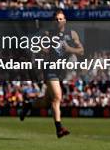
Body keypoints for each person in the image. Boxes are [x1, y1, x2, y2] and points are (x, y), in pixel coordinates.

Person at [20, 10, 84, 138]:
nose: (58, 21)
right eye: (56, 19)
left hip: (62, 70)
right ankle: (59, 128)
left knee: (46, 101)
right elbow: (36, 46)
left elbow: (81, 51)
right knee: (57, 97)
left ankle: (28, 105)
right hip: (50, 68)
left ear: (65, 20)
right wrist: (42, 49)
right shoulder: (47, 34)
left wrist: (69, 49)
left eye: (60, 19)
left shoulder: (72, 34)